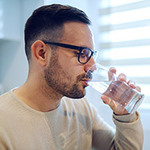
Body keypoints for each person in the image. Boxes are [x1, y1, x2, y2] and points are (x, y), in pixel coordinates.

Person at [0, 4, 143, 150]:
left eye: (91, 55)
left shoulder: (81, 109)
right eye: (82, 53)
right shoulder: (3, 124)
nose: (91, 66)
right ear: (42, 53)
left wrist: (125, 116)